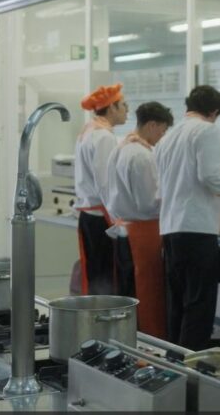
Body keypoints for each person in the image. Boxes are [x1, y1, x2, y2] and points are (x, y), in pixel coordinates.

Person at [155, 85, 220, 351]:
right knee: (199, 304)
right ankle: (191, 366)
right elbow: (211, 177)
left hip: (170, 228)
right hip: (196, 228)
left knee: (178, 302)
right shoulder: (207, 130)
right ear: (214, 112)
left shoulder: (167, 138)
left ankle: (173, 360)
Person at [105, 101, 174, 338]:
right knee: (147, 293)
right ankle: (150, 343)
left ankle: (128, 338)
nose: (162, 136)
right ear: (152, 125)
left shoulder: (121, 148)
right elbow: (148, 202)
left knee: (128, 291)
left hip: (124, 228)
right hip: (143, 233)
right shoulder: (141, 156)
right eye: (162, 130)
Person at [74, 83, 128, 295]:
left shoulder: (88, 130)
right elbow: (106, 184)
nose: (127, 110)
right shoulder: (104, 137)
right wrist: (118, 220)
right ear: (112, 107)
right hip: (102, 218)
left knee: (94, 274)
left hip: (89, 215)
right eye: (123, 105)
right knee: (106, 277)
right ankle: (103, 314)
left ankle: (95, 312)